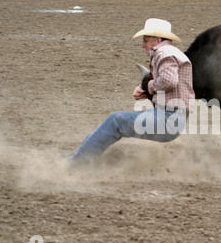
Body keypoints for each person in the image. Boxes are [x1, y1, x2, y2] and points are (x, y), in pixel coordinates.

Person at [67, 18, 195, 165]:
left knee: (116, 120)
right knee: (115, 121)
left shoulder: (163, 53)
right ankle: (78, 156)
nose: (142, 45)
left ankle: (77, 162)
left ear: (157, 40)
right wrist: (146, 91)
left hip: (168, 118)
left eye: (145, 41)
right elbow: (171, 85)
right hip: (170, 117)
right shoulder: (172, 52)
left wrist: (149, 87)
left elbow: (169, 81)